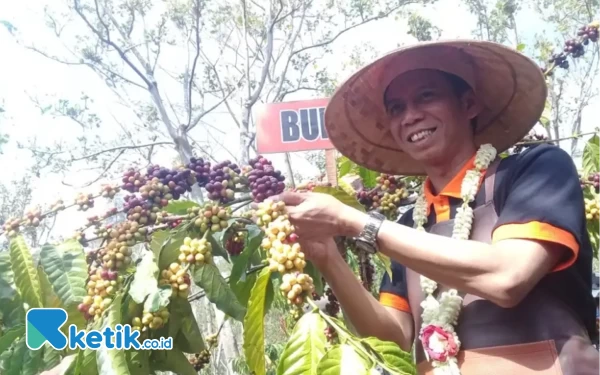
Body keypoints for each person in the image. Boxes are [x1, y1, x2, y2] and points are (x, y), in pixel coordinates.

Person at [274, 40, 600, 375]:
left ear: (468, 103)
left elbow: (509, 277)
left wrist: (357, 223)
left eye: (426, 96)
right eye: (396, 108)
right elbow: (396, 337)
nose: (411, 116)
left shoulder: (534, 170)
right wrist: (326, 256)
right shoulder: (408, 224)